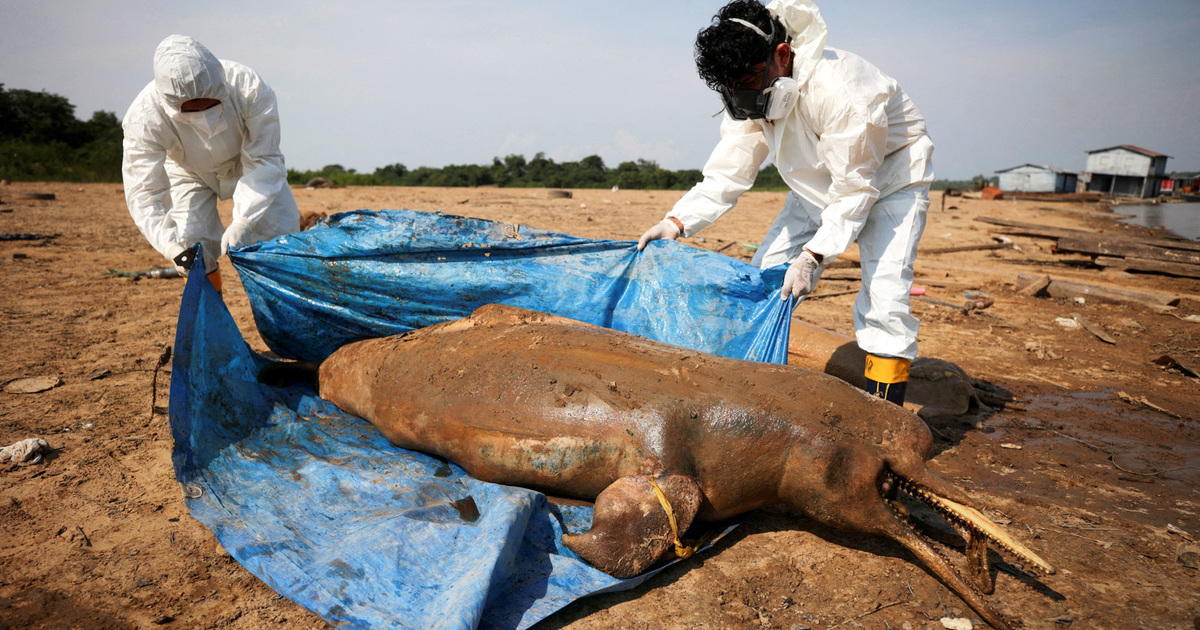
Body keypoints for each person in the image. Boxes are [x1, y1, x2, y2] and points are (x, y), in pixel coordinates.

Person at [637, 0, 933, 406]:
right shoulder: (748, 94)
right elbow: (729, 171)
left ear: (782, 55)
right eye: (733, 89)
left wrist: (812, 256)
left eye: (750, 82)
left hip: (888, 183)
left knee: (885, 299)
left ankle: (884, 417)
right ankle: (745, 394)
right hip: (814, 189)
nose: (745, 99)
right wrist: (676, 221)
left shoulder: (840, 90)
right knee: (766, 280)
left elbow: (854, 190)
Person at [122, 34, 300, 291]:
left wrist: (244, 221)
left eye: (210, 105)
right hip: (188, 170)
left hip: (248, 164)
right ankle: (210, 311)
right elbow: (143, 191)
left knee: (280, 237)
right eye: (191, 110)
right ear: (169, 102)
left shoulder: (248, 86)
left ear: (221, 86)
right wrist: (169, 246)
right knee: (192, 244)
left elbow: (264, 157)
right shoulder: (144, 117)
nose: (203, 117)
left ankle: (279, 309)